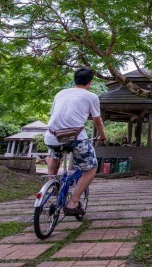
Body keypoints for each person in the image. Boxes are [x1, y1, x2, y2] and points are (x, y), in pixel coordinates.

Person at [44, 67, 106, 216]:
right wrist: (103, 135)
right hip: (75, 137)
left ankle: (51, 183)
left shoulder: (60, 93)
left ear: (74, 80)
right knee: (91, 167)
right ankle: (73, 202)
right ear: (90, 83)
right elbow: (97, 121)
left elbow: (55, 114)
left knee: (54, 154)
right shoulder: (91, 96)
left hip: (52, 135)